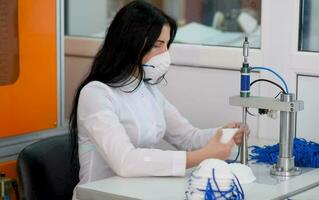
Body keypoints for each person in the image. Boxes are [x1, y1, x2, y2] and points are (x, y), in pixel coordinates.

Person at [69, 0, 249, 197]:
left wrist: (222, 134)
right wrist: (203, 155)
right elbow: (125, 161)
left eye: (167, 45)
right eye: (158, 45)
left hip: (138, 193)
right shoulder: (96, 93)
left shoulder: (147, 89)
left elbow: (187, 137)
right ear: (132, 43)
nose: (166, 54)